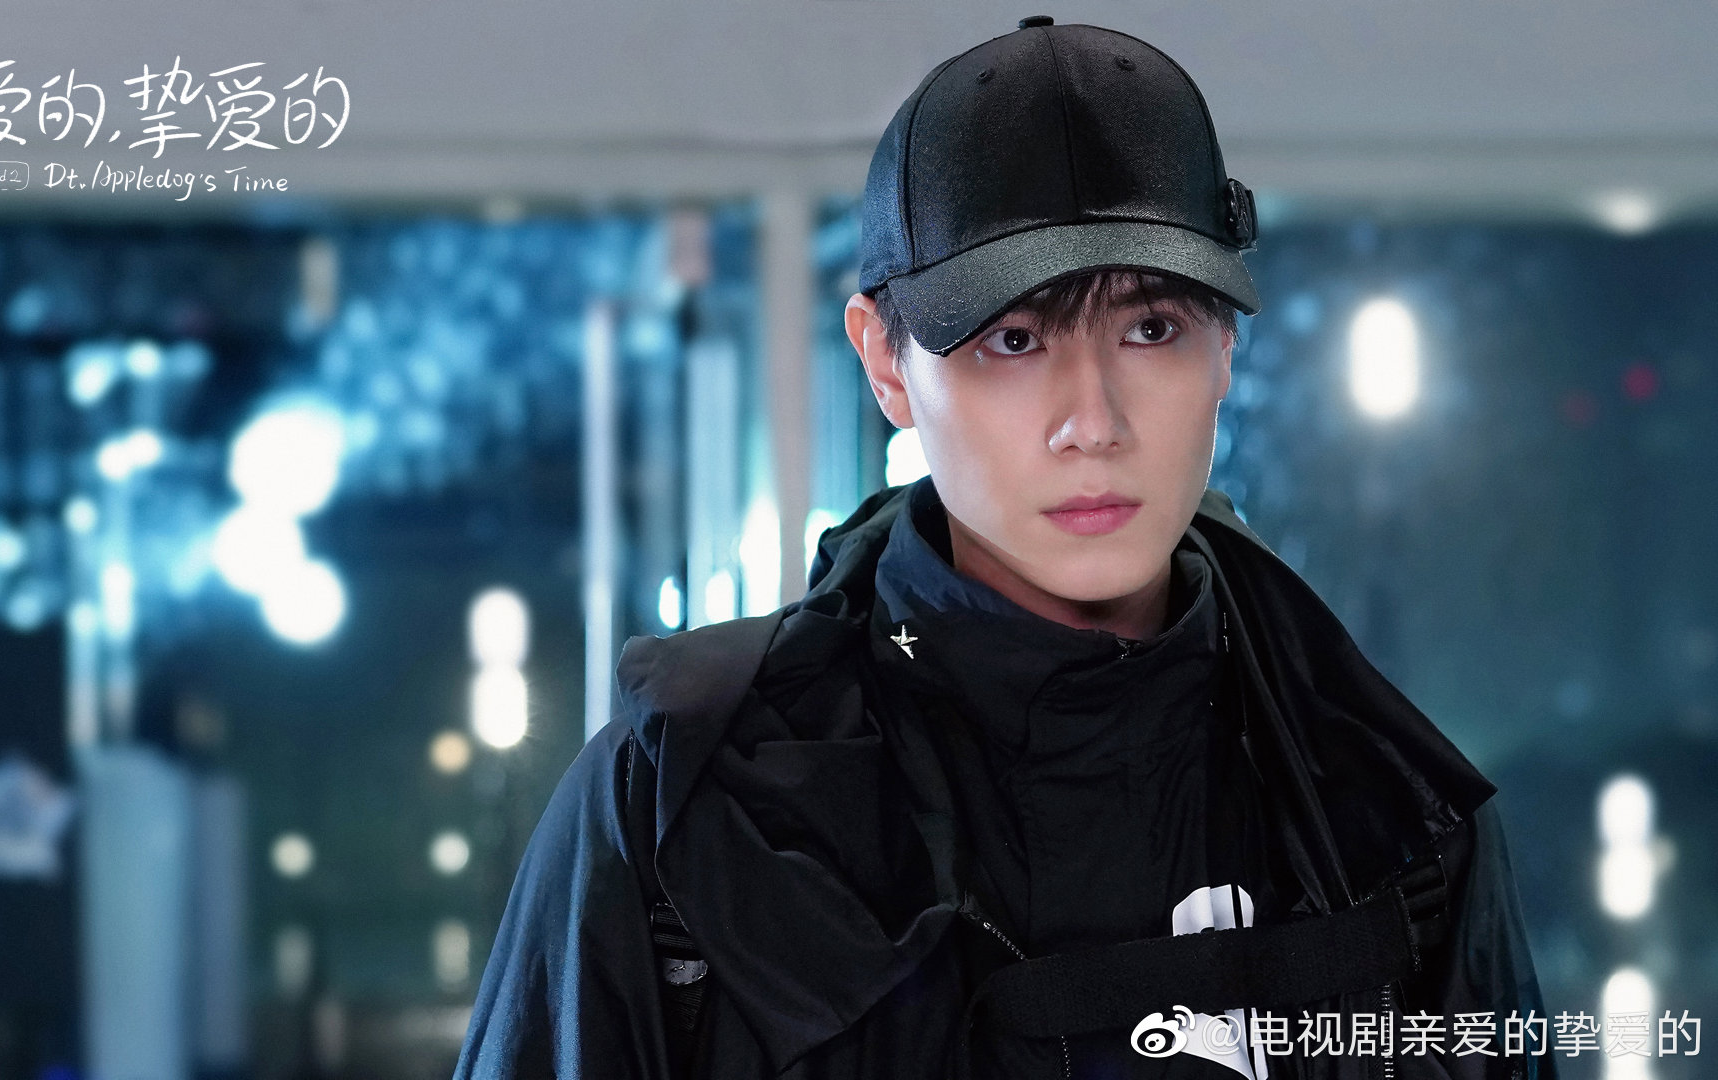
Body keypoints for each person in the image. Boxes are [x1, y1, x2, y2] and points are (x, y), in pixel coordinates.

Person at [456, 16, 1550, 1080]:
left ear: (1225, 346)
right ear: (883, 363)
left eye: (1150, 328)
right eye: (1013, 339)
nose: (1092, 422)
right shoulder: (684, 805)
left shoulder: (1386, 805)